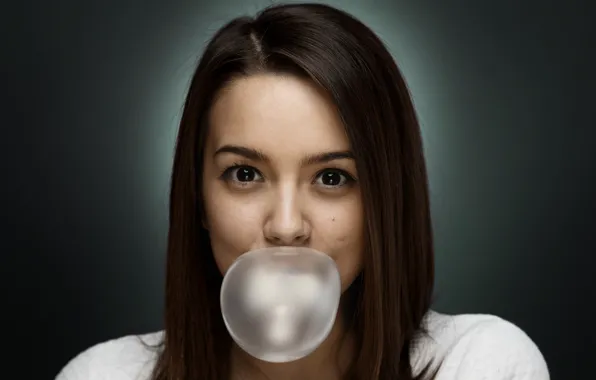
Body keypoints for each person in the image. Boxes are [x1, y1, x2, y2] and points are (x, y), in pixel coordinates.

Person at [55, 3, 550, 380]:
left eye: (331, 178)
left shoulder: (478, 363)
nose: (286, 226)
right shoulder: (104, 375)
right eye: (245, 174)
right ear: (198, 200)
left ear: (384, 202)